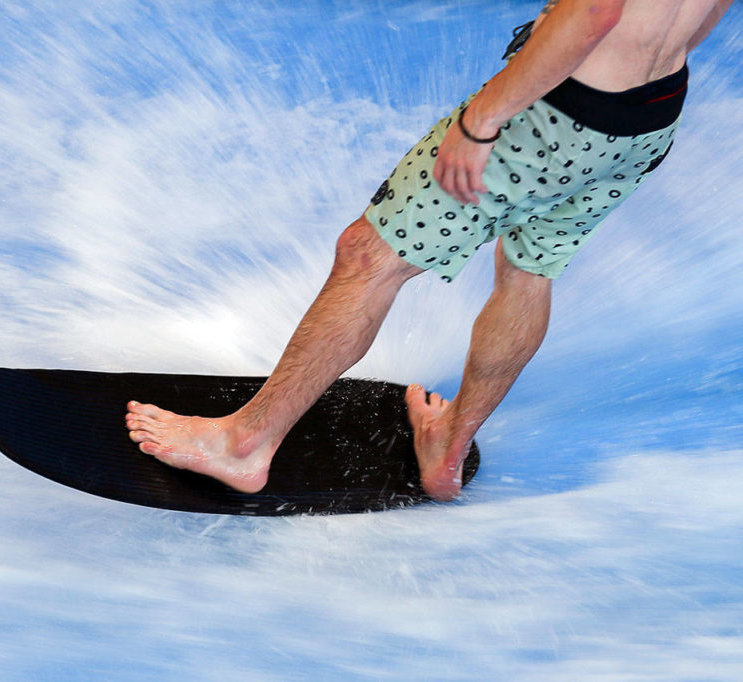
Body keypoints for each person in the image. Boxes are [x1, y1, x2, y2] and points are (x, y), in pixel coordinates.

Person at [125, 0, 735, 501]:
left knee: (368, 256)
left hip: (557, 112)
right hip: (647, 118)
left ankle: (245, 445)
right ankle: (447, 448)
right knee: (529, 269)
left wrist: (483, 122)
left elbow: (597, 11)